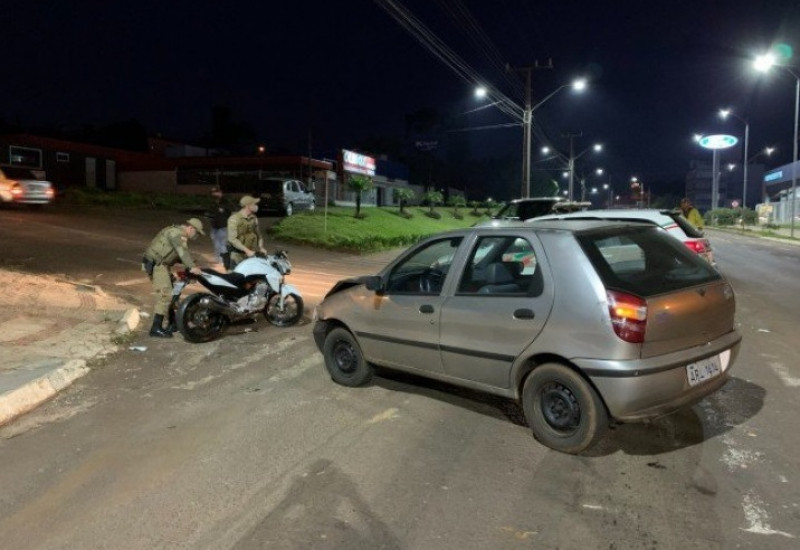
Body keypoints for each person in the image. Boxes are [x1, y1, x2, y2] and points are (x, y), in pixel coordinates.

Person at [142, 218, 205, 338]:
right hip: (157, 265)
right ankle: (156, 328)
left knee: (173, 293)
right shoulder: (177, 234)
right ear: (191, 228)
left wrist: (190, 263)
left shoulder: (177, 232)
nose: (196, 235)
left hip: (162, 265)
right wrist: (191, 266)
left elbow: (174, 253)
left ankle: (173, 323)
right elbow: (182, 252)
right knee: (165, 295)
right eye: (196, 232)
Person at [227, 195, 267, 268]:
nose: (256, 206)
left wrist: (261, 247)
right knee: (237, 276)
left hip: (252, 253)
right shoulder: (234, 219)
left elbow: (259, 235)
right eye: (254, 204)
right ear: (248, 206)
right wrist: (247, 251)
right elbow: (232, 239)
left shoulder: (254, 218)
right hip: (238, 255)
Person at [205, 186, 233, 269]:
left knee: (223, 244)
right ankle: (218, 260)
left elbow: (231, 212)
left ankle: (223, 261)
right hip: (214, 227)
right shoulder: (213, 202)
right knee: (216, 244)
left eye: (215, 192)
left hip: (223, 227)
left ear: (220, 192)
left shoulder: (226, 202)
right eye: (212, 193)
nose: (213, 194)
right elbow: (209, 213)